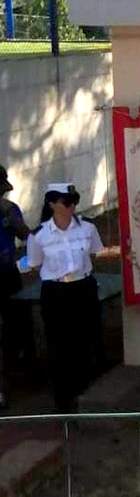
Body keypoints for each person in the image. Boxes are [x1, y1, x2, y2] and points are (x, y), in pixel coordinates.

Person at [27, 183, 104, 412]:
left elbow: (94, 253)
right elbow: (35, 264)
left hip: (83, 288)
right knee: (59, 344)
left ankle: (86, 394)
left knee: (86, 339)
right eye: (66, 202)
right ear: (52, 204)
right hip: (56, 292)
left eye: (74, 201)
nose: (72, 206)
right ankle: (63, 399)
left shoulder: (87, 228)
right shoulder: (39, 235)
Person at [0, 166, 30, 408]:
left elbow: (25, 235)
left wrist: (12, 218)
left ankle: (18, 361)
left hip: (8, 273)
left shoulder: (10, 210)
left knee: (18, 320)